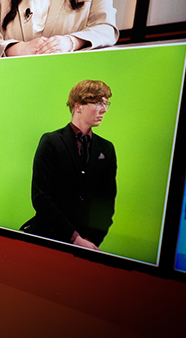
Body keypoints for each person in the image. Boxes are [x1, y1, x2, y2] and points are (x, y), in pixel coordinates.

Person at [22, 80, 116, 249]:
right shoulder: (51, 141)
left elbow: (106, 202)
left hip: (87, 244)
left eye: (105, 103)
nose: (103, 109)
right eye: (97, 103)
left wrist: (91, 240)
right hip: (48, 238)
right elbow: (41, 197)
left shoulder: (106, 148)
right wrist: (74, 238)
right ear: (78, 106)